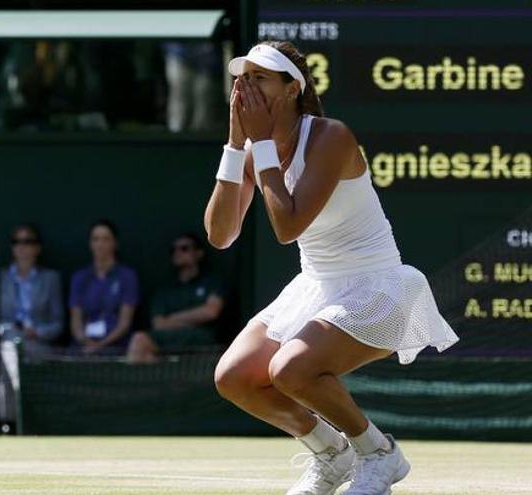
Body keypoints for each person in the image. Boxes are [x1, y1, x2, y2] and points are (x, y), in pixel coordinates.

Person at [206, 42, 459, 495]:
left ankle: (379, 454)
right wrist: (234, 144)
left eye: (260, 78)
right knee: (234, 378)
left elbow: (287, 226)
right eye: (241, 78)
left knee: (289, 370)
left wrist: (259, 143)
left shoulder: (330, 136)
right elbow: (221, 235)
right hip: (315, 287)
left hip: (377, 290)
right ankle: (331, 454)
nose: (245, 87)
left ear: (290, 89)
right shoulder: (252, 152)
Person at [0, 224, 64, 432]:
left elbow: (58, 324)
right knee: (8, 351)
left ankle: (11, 421)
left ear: (38, 248)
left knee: (12, 352)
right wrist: (2, 330)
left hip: (37, 343)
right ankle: (17, 419)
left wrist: (38, 332)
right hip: (5, 340)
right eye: (18, 242)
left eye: (29, 241)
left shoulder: (51, 279)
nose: (23, 247)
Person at [126, 233, 223, 363]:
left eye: (184, 248)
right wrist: (195, 318)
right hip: (168, 342)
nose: (178, 253)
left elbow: (211, 312)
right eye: (174, 250)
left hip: (202, 340)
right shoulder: (165, 290)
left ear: (199, 253)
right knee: (139, 340)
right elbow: (159, 324)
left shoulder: (212, 282)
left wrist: (172, 319)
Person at [69, 220, 139, 355]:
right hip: (84, 345)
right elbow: (76, 321)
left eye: (106, 239)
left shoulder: (127, 276)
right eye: (96, 239)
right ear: (90, 244)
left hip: (116, 344)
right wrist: (85, 341)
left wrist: (102, 345)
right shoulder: (80, 277)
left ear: (115, 243)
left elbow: (124, 323)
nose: (100, 244)